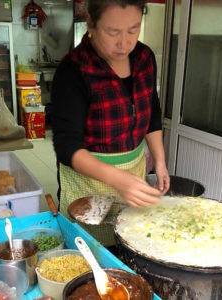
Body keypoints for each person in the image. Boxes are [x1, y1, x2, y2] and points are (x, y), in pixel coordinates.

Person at [51, 0, 170, 247]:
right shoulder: (73, 69)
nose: (124, 43)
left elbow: (152, 111)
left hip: (134, 171)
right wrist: (119, 180)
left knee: (130, 248)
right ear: (91, 24)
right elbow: (67, 148)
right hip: (87, 182)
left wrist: (159, 161)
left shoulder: (144, 57)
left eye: (133, 30)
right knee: (89, 255)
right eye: (113, 32)